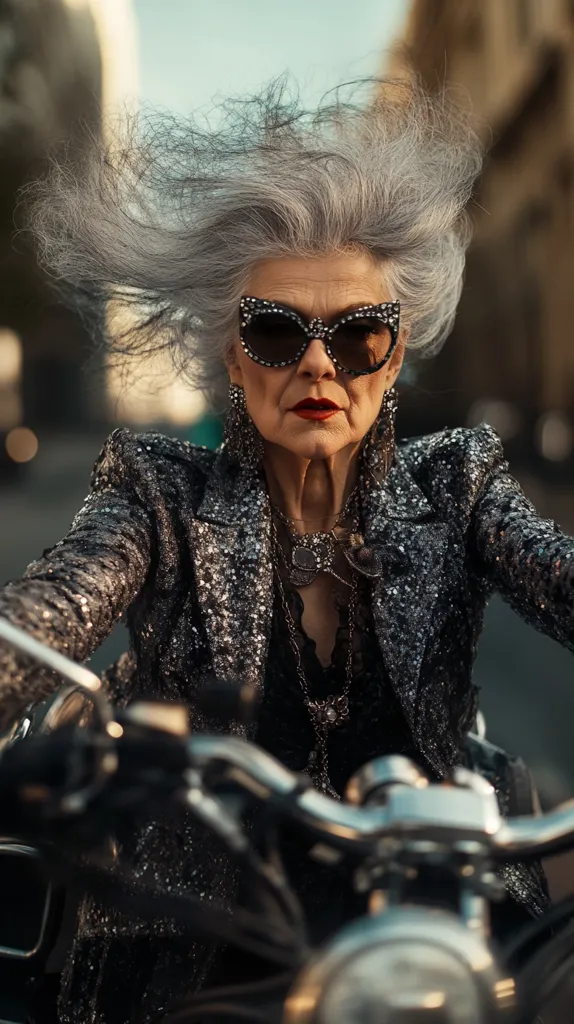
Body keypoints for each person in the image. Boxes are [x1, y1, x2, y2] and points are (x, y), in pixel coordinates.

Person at [0, 78, 573, 1022]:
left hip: (431, 919)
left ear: (394, 356)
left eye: (356, 336)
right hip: (186, 934)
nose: (318, 364)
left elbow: (557, 574)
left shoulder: (458, 482)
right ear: (231, 354)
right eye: (275, 332)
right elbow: (51, 611)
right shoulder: (157, 489)